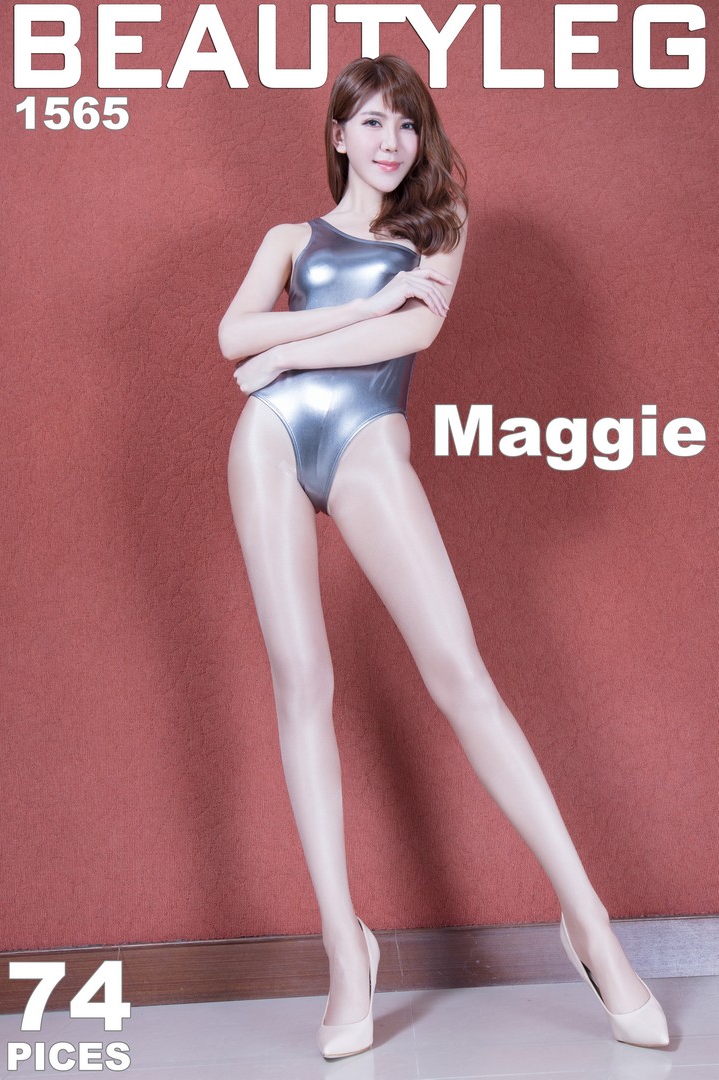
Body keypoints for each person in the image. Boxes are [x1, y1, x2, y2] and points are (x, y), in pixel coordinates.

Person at [218, 55, 669, 1060]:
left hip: (366, 439)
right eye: (372, 122)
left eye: (407, 124)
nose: (392, 141)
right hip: (270, 439)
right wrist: (341, 317)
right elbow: (230, 334)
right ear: (339, 135)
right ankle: (346, 949)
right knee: (301, 681)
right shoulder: (289, 239)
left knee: (461, 675)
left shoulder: (439, 227)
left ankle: (589, 924)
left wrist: (287, 347)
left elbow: (413, 328)